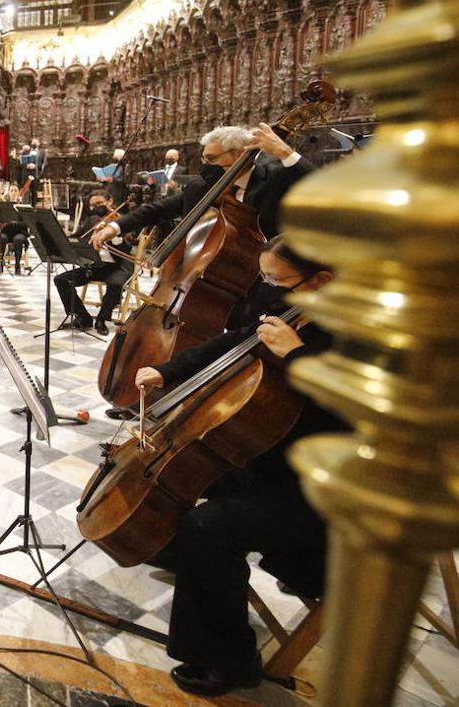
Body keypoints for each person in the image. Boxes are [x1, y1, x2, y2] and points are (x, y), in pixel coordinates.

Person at [134, 236, 347, 696]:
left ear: (323, 279)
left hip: (324, 487)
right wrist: (169, 371)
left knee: (207, 526)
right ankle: (187, 560)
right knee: (182, 472)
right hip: (274, 458)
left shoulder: (357, 330)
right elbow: (234, 341)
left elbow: (356, 411)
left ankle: (229, 660)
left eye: (277, 279)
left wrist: (297, 355)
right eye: (264, 277)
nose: (268, 289)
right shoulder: (292, 305)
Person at [89, 124, 311, 251]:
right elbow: (156, 209)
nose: (206, 166)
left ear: (239, 154)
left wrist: (284, 152)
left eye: (212, 159)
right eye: (204, 159)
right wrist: (115, 227)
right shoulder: (203, 187)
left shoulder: (274, 178)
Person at [55, 190, 131, 334]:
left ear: (109, 201)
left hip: (117, 266)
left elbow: (128, 247)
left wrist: (115, 237)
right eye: (92, 205)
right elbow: (78, 236)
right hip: (94, 265)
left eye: (99, 203)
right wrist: (64, 239)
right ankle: (83, 317)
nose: (96, 208)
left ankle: (102, 319)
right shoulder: (93, 221)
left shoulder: (122, 221)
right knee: (61, 280)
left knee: (116, 283)